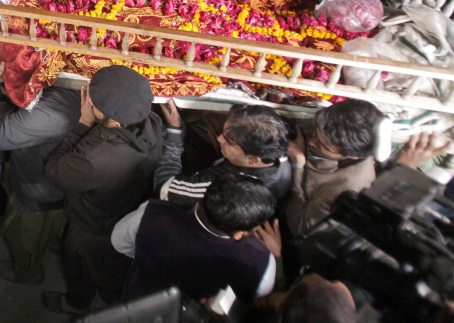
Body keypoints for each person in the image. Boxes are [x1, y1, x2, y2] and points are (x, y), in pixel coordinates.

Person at [42, 65, 163, 314]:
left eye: (93, 103)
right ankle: (114, 302)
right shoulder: (153, 124)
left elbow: (54, 170)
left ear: (114, 120)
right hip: (125, 213)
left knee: (80, 266)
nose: (88, 104)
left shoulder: (94, 157)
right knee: (114, 272)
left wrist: (82, 124)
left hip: (91, 226)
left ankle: (76, 304)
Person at [0, 59, 79, 284]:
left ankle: (27, 273)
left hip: (36, 191)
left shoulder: (51, 114)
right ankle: (54, 244)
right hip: (63, 186)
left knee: (23, 239)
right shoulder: (78, 90)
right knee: (56, 227)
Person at [111, 174, 276, 301]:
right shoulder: (259, 262)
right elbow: (260, 296)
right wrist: (275, 257)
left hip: (136, 303)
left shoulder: (152, 213)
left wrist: (146, 254)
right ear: (238, 234)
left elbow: (118, 241)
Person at [156, 102, 292, 204]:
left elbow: (164, 188)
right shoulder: (278, 157)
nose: (219, 138)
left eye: (229, 141)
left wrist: (174, 130)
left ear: (252, 159)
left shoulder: (223, 188)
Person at [283, 100, 381, 237]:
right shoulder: (326, 124)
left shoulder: (346, 190)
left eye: (324, 146)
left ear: (354, 156)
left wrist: (297, 164)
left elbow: (299, 227)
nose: (311, 142)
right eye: (314, 133)